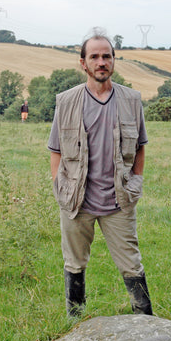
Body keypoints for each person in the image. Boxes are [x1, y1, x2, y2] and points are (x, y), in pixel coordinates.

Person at [48, 33, 153, 317]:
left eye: (106, 56)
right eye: (94, 57)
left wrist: (136, 183)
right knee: (74, 263)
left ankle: (146, 323)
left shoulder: (131, 100)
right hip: (76, 201)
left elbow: (141, 146)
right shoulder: (67, 101)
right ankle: (75, 323)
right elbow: (55, 149)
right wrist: (60, 185)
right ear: (83, 63)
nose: (101, 62)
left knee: (131, 264)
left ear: (114, 61)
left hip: (119, 200)